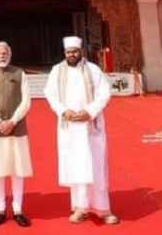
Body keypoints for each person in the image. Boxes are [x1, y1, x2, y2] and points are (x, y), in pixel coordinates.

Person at [43, 36, 119, 226]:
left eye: (75, 51)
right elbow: (50, 94)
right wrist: (63, 111)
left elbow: (104, 93)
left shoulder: (93, 70)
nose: (72, 55)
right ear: (64, 53)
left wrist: (89, 112)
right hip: (69, 127)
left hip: (90, 126)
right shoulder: (57, 71)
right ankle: (80, 207)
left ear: (81, 52)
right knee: (76, 167)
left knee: (96, 167)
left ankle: (103, 209)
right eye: (69, 52)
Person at [0, 41, 33, 228]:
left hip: (16, 128)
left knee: (18, 170)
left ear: (10, 53)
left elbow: (26, 101)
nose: (2, 55)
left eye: (4, 52)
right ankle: (0, 209)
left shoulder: (20, 73)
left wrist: (12, 121)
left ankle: (18, 209)